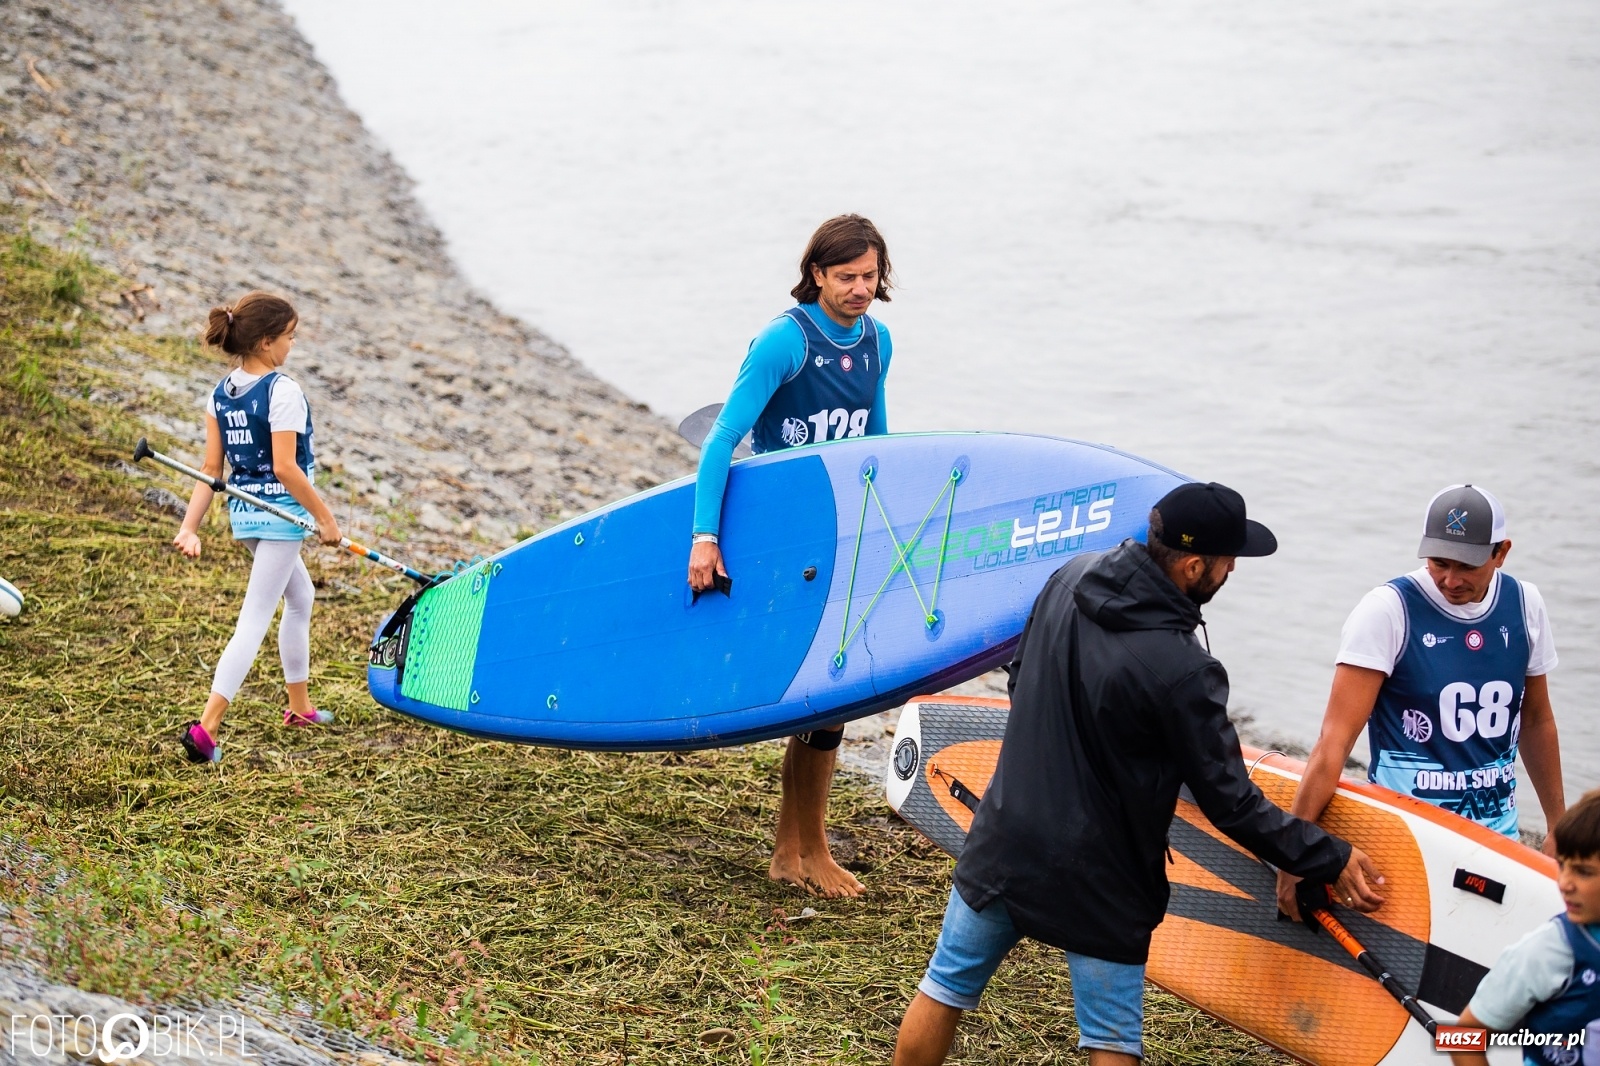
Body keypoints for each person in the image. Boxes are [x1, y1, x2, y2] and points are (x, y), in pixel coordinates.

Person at [893, 482, 1384, 1065]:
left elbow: (1021, 679)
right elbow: (1230, 803)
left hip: (1005, 837)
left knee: (946, 985)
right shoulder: (1186, 670)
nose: (1232, 570)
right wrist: (1328, 855)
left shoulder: (1069, 577)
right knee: (1111, 1036)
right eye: (1227, 560)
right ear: (1194, 566)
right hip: (1102, 874)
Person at [686, 214, 894, 898]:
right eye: (846, 276)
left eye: (870, 276)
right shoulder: (785, 341)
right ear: (817, 275)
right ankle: (800, 848)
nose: (860, 289)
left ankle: (800, 849)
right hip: (782, 534)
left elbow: (876, 443)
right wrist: (705, 537)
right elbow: (723, 438)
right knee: (816, 691)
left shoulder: (877, 342)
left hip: (837, 533)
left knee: (831, 696)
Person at [1279, 484, 1564, 917]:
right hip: (1406, 836)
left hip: (1497, 839)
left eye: (1466, 565)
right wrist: (1294, 854)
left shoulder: (1525, 604)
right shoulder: (1387, 610)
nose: (1450, 580)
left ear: (1501, 553)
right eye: (1439, 562)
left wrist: (1558, 824)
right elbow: (1334, 740)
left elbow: (1537, 720)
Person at [171, 291, 342, 764]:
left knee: (301, 597)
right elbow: (286, 468)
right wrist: (325, 518)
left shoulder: (221, 393)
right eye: (289, 336)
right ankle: (206, 729)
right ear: (266, 342)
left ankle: (300, 708)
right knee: (254, 618)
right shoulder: (281, 391)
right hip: (281, 518)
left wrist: (190, 526)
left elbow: (211, 470)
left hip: (246, 518)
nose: (292, 345)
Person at [1449, 788, 1600, 1066]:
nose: (1564, 883)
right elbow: (1461, 1037)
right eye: (1563, 866)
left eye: (1583, 872)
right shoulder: (1550, 948)